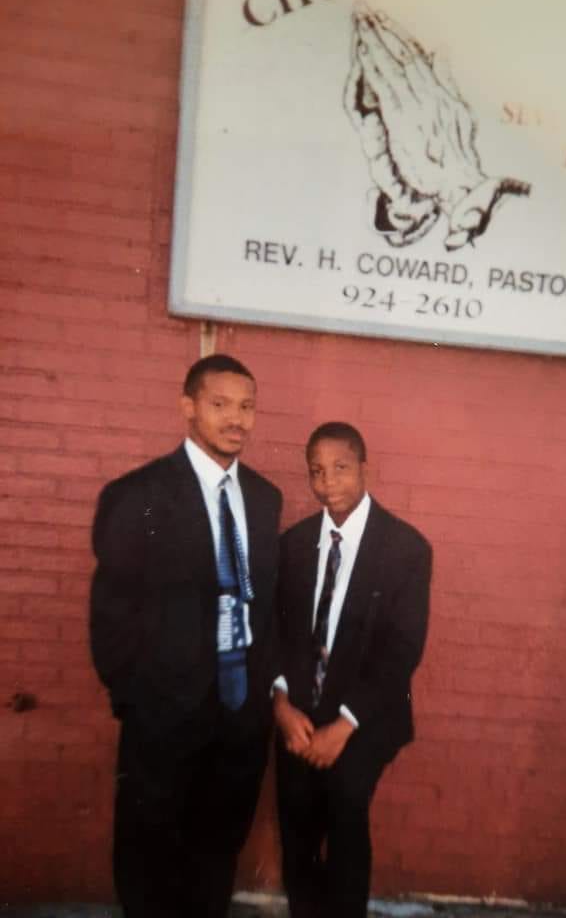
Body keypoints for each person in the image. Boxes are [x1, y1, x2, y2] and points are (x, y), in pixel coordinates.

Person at [90, 353, 282, 918]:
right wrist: (138, 703)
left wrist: (259, 702)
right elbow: (110, 616)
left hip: (240, 714)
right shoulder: (136, 495)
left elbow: (264, 604)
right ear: (188, 408)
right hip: (162, 716)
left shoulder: (265, 498)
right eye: (220, 404)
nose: (237, 420)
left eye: (246, 407)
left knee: (216, 854)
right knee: (148, 855)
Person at [273, 421, 432, 918]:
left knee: (344, 814)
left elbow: (402, 650)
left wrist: (344, 725)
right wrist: (280, 702)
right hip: (298, 713)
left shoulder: (405, 548)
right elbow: (276, 631)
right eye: (317, 472)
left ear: (364, 467)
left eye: (340, 468)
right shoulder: (294, 545)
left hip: (364, 717)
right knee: (296, 829)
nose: (328, 482)